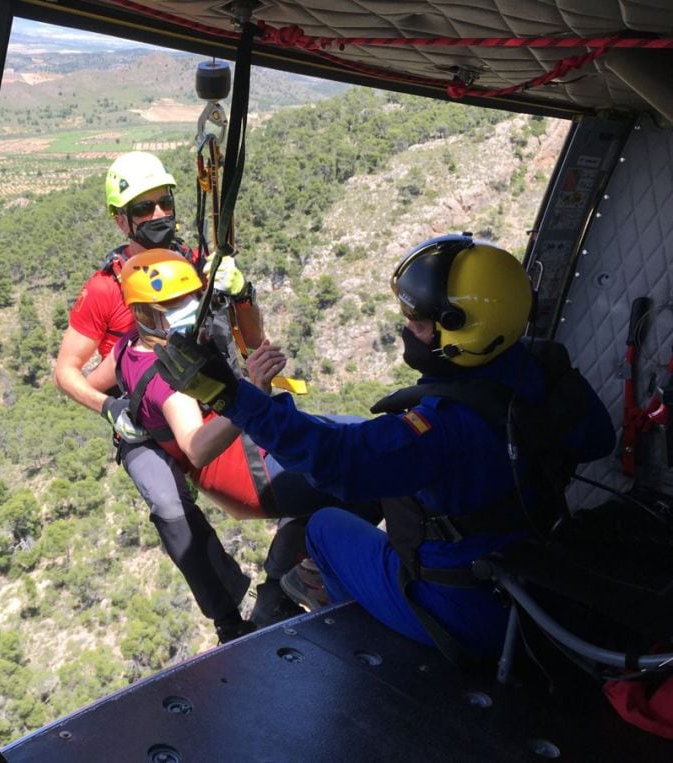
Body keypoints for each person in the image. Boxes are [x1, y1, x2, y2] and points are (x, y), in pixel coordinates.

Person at [152, 233, 616, 661]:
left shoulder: (445, 427)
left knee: (324, 528)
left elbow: (336, 460)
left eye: (416, 320)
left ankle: (366, 645)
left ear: (458, 331)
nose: (405, 328)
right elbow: (598, 438)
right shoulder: (541, 369)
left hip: (468, 612)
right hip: (538, 578)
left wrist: (233, 396)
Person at [54, 152, 275, 642]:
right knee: (169, 507)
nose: (158, 215)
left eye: (164, 203)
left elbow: (251, 338)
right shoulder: (105, 290)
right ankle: (228, 620)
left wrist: (241, 294)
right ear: (121, 218)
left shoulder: (194, 263)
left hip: (206, 396)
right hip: (144, 417)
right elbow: (67, 372)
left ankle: (288, 574)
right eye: (143, 208)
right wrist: (111, 407)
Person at [87, 249, 380, 616]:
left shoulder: (127, 346)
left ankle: (289, 568)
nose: (188, 308)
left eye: (190, 298)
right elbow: (196, 448)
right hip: (244, 471)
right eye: (172, 303)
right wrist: (253, 394)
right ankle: (300, 574)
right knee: (376, 471)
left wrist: (110, 406)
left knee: (360, 439)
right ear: (144, 312)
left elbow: (99, 379)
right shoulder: (171, 383)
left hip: (242, 456)